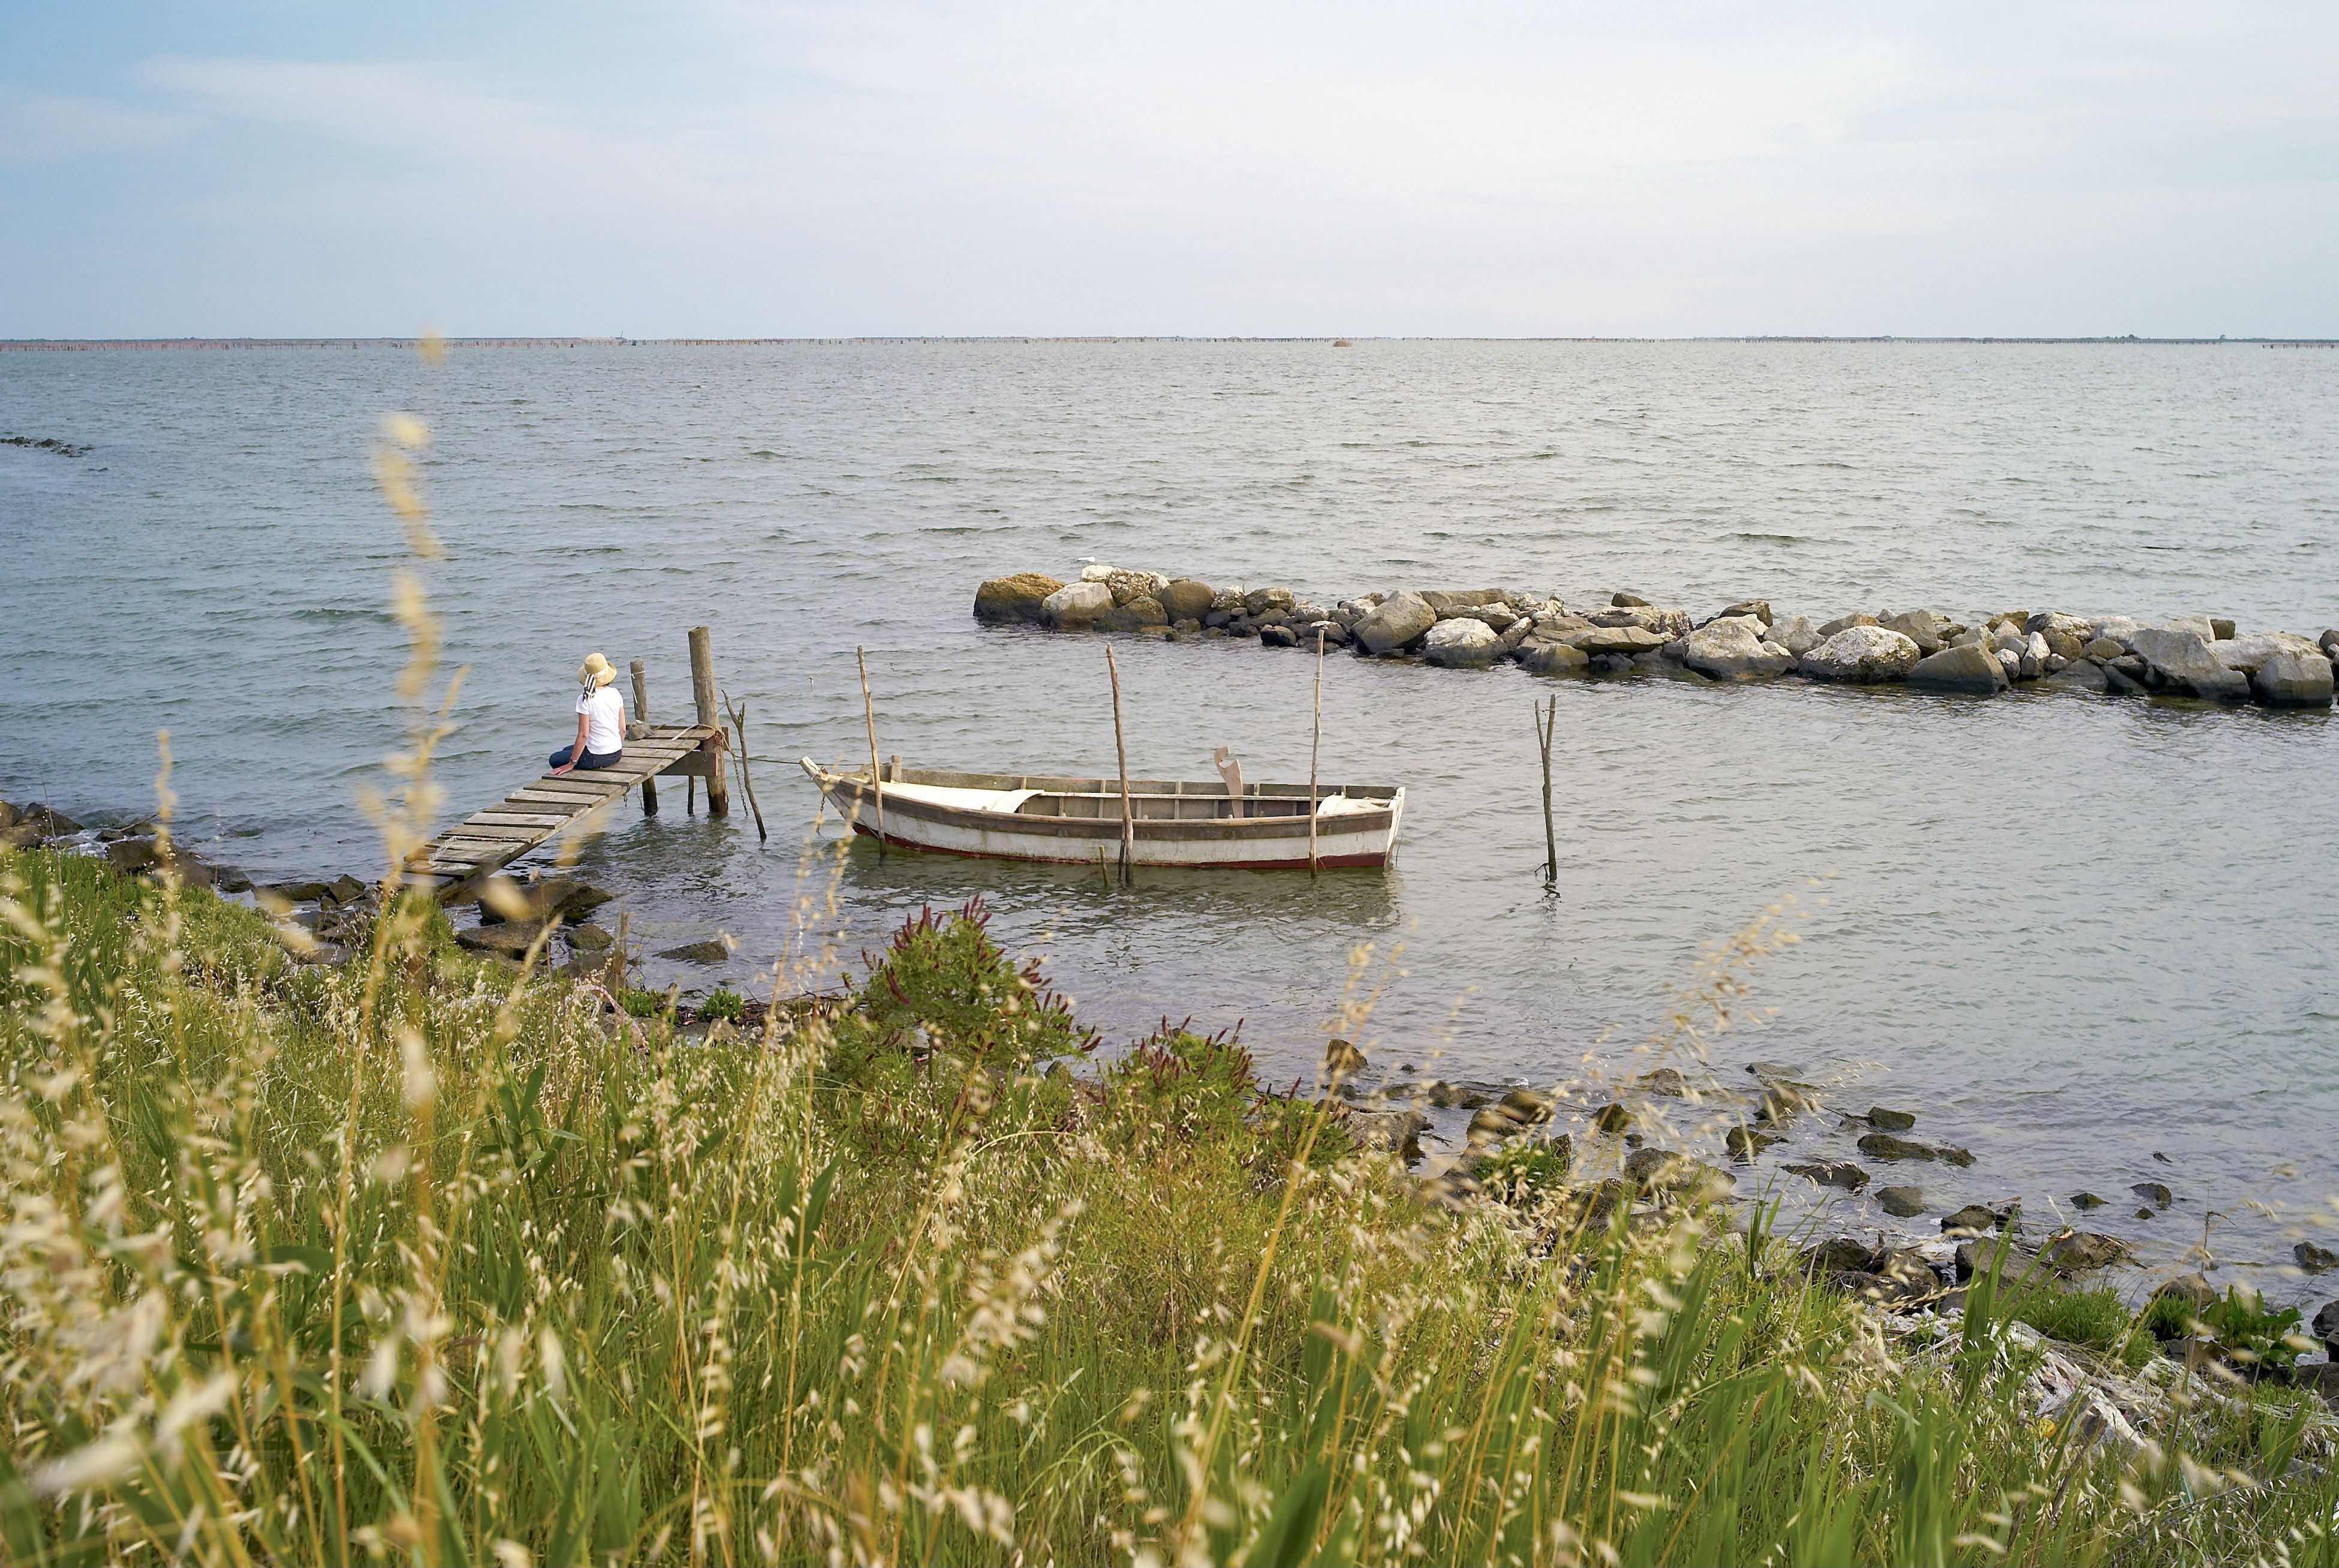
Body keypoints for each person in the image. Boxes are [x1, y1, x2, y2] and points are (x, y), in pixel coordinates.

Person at [552, 652, 626, 775]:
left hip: (595, 758)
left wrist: (572, 763)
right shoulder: (616, 693)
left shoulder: (585, 699)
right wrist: (615, 748)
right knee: (566, 750)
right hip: (617, 753)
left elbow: (583, 735)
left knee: (555, 759)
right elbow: (622, 729)